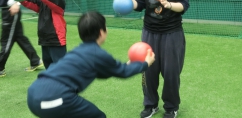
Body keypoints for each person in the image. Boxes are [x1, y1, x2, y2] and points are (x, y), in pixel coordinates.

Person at [27, 11, 155, 118]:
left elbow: (104, 71)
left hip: (33, 95)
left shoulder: (79, 50)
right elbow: (123, 72)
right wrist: (145, 64)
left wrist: (125, 66)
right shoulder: (97, 53)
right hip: (53, 99)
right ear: (101, 32)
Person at [116, 0, 190, 118]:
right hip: (149, 33)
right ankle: (150, 105)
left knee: (171, 72)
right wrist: (127, 1)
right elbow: (140, 4)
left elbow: (184, 5)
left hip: (172, 33)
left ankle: (171, 107)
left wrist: (169, 5)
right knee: (148, 71)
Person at [0, 0, 43, 77]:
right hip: (4, 10)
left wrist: (15, 4)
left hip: (11, 11)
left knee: (6, 38)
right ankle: (35, 61)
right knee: (19, 37)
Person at [20, 0, 67, 69]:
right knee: (48, 66)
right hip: (45, 39)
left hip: (56, 40)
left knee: (61, 68)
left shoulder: (58, 0)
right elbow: (30, 1)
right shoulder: (42, 2)